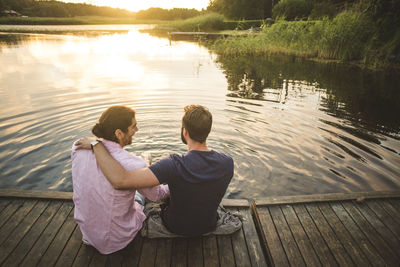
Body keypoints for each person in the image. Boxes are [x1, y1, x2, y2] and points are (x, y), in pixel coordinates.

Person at [76, 105, 234, 236]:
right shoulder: (228, 163)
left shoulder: (172, 164)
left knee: (145, 198)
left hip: (175, 226)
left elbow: (121, 180)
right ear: (208, 131)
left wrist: (96, 144)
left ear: (184, 132)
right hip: (208, 225)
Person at [71, 106, 169, 254]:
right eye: (133, 126)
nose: (137, 129)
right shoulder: (134, 164)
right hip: (117, 239)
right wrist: (175, 180)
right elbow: (157, 195)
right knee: (139, 195)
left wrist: (95, 143)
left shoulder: (78, 147)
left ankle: (146, 168)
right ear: (118, 133)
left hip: (88, 233)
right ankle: (147, 166)